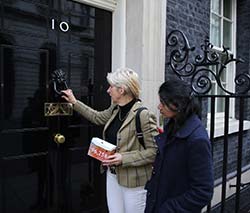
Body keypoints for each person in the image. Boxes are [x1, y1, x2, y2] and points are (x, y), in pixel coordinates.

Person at [61, 67, 158, 213]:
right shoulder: (115, 109)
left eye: (111, 86)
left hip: (134, 182)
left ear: (122, 90)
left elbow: (154, 151)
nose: (108, 90)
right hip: (112, 175)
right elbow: (97, 117)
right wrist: (74, 102)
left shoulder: (143, 115)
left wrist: (123, 158)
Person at [145, 79, 214, 213]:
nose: (159, 107)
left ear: (177, 104)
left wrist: (169, 209)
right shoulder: (174, 125)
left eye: (163, 103)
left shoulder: (197, 139)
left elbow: (203, 191)